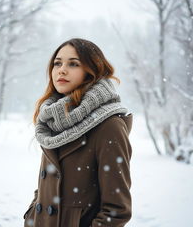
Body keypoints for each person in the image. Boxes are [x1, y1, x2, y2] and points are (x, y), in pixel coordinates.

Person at [23, 38, 133, 227]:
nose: (62, 69)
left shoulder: (109, 127)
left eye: (73, 64)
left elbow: (117, 211)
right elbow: (48, 187)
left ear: (92, 71)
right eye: (57, 63)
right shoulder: (54, 119)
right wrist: (33, 213)